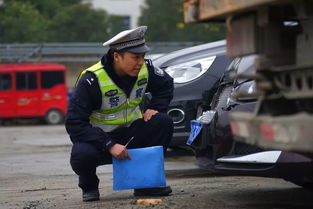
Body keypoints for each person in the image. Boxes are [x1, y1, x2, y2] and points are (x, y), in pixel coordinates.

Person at [65, 26, 174, 202]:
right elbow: (74, 123)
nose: (140, 62)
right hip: (100, 140)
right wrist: (109, 144)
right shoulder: (91, 80)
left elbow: (166, 84)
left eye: (143, 56)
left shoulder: (145, 69)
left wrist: (157, 107)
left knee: (163, 122)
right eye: (135, 57)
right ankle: (89, 185)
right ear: (117, 56)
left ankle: (146, 184)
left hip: (132, 133)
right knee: (81, 154)